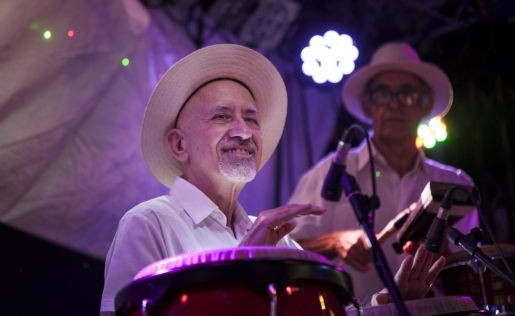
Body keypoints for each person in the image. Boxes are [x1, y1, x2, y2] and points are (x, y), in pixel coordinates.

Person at [100, 44, 445, 314]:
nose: (244, 131)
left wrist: (391, 300)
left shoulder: (274, 240)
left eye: (252, 119)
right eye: (222, 116)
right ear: (179, 144)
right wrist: (242, 267)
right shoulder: (149, 224)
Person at [287, 42, 478, 303]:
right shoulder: (330, 172)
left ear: (424, 105)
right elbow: (283, 251)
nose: (394, 104)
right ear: (368, 106)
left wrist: (444, 255)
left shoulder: (455, 183)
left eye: (407, 94)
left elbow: (471, 271)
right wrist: (333, 242)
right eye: (382, 94)